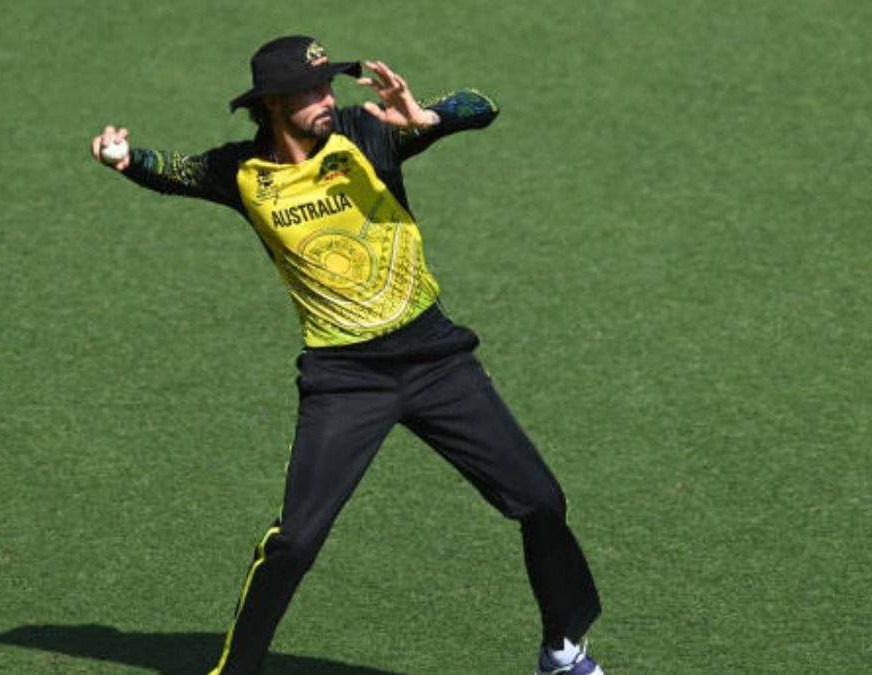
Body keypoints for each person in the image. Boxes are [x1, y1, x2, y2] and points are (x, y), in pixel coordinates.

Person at [90, 35, 605, 675]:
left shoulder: (370, 133)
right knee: (296, 541)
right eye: (310, 91)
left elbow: (484, 106)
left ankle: (562, 648)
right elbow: (181, 172)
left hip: (437, 362)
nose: (326, 100)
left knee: (541, 500)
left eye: (327, 85)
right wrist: (125, 157)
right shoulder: (244, 173)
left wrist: (431, 119)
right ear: (273, 104)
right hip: (345, 380)